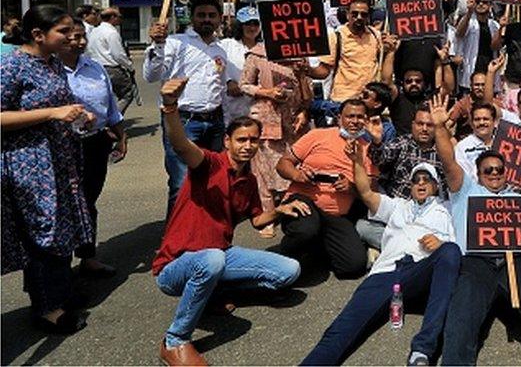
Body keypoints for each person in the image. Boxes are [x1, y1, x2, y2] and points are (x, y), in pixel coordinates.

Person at [153, 78, 304, 367]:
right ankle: (174, 341)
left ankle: (210, 293)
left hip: (219, 256)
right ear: (227, 142)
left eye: (253, 140)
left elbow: (259, 221)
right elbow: (181, 145)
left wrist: (282, 210)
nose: (248, 146)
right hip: (176, 265)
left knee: (289, 271)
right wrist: (171, 107)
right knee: (211, 261)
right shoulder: (208, 164)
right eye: (241, 140)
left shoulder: (249, 180)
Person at [429, 94, 521, 366]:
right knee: (461, 319)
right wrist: (440, 128)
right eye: (488, 170)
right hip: (477, 263)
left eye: (500, 169)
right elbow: (449, 162)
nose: (495, 173)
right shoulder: (466, 190)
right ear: (479, 173)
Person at [300, 157, 459, 367]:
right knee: (342, 328)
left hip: (422, 273)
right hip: (386, 272)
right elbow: (365, 192)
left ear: (436, 185)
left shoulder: (449, 209)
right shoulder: (397, 206)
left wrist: (441, 243)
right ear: (410, 186)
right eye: (416, 180)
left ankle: (422, 351)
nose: (421, 183)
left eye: (426, 179)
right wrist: (357, 160)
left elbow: (462, 243)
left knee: (450, 251)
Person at [1, 5, 94, 334]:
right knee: (43, 234)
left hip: (60, 159)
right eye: (64, 32)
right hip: (29, 164)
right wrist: (53, 114)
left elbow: (59, 104)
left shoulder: (52, 62)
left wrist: (78, 114)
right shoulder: (11, 65)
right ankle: (46, 308)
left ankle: (61, 292)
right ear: (38, 35)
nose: (73, 37)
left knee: (62, 230)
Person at [144, 0, 230, 212]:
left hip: (215, 121)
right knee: (181, 182)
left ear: (220, 19)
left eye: (212, 15)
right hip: (183, 121)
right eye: (201, 15)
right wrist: (158, 44)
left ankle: (202, 234)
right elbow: (152, 75)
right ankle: (174, 242)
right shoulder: (175, 42)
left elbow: (221, 87)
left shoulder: (221, 50)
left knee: (210, 178)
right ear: (192, 18)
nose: (206, 20)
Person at [275, 99, 375, 278]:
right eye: (350, 116)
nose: (355, 121)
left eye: (360, 117)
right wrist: (297, 175)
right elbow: (283, 164)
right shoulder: (317, 135)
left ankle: (316, 249)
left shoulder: (369, 149)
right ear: (339, 118)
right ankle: (282, 258)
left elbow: (370, 192)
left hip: (335, 214)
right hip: (302, 201)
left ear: (366, 120)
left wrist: (351, 188)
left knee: (353, 266)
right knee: (306, 229)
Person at [61, 18, 127, 278]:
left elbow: (110, 106)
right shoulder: (47, 71)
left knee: (88, 200)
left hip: (96, 143)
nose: (78, 42)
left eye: (81, 37)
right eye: (70, 37)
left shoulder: (95, 67)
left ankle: (88, 257)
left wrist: (121, 136)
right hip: (63, 147)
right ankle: (60, 267)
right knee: (66, 205)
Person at [240, 41, 313, 238]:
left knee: (292, 168)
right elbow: (244, 85)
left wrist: (304, 110)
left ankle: (291, 211)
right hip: (265, 119)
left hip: (293, 122)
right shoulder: (256, 55)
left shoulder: (300, 53)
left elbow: (308, 95)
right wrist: (267, 92)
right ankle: (267, 217)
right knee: (263, 172)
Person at [362, 106, 445, 249]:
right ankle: (407, 247)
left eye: (429, 125)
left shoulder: (443, 151)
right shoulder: (402, 143)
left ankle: (395, 247)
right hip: (397, 211)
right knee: (363, 228)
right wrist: (377, 142)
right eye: (420, 124)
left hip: (427, 216)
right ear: (413, 125)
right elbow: (381, 158)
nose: (424, 129)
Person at [310, 0, 383, 116]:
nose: (359, 17)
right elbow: (324, 71)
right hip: (343, 102)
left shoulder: (376, 36)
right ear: (347, 14)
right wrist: (306, 69)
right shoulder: (336, 36)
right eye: (354, 13)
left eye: (363, 14)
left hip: (368, 102)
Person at [382, 33, 452, 136]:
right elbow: (386, 82)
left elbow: (448, 87)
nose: (413, 84)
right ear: (403, 83)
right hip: (402, 143)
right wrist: (391, 52)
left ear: (424, 83)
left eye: (418, 81)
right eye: (409, 81)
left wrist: (445, 61)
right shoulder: (397, 97)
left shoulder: (432, 99)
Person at [87, 7, 137, 113]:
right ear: (113, 17)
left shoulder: (95, 31)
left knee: (105, 96)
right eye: (119, 16)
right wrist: (130, 67)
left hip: (96, 68)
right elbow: (118, 54)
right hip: (111, 68)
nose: (120, 19)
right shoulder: (111, 33)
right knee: (127, 94)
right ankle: (115, 119)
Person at [219, 6, 261, 125]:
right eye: (247, 24)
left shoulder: (265, 49)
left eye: (256, 23)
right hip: (231, 107)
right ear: (240, 26)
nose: (252, 28)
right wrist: (228, 81)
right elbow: (215, 65)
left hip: (257, 107)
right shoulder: (226, 45)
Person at [454, 0, 500, 92]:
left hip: (489, 70)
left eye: (484, 2)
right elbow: (459, 33)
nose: (481, 4)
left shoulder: (495, 25)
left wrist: (502, 27)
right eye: (478, 2)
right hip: (471, 70)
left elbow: (496, 46)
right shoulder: (469, 21)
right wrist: (469, 12)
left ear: (490, 5)